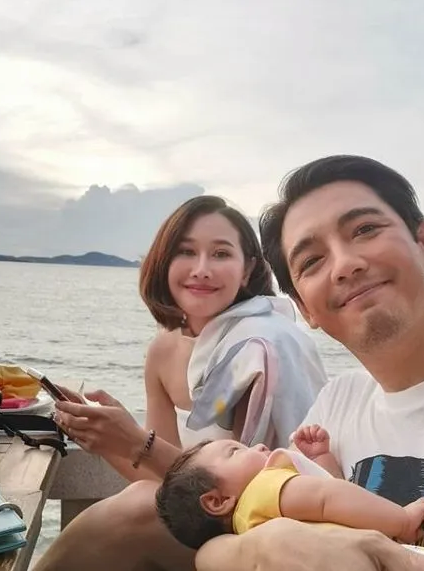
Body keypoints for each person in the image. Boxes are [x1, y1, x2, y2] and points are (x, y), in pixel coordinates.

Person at [194, 155, 424, 571]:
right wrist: (258, 549)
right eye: (312, 261)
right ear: (305, 309)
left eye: (365, 229)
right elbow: (222, 543)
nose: (345, 265)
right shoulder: (337, 405)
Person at [33, 195, 327, 571]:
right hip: (208, 520)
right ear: (164, 262)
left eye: (220, 254)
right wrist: (107, 441)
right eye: (186, 252)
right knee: (142, 500)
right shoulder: (164, 350)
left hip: (273, 525)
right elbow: (166, 483)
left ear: (248, 268)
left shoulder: (265, 345)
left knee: (128, 513)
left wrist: (136, 441)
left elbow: (259, 490)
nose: (201, 269)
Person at [155, 436, 424, 568]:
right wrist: (402, 520)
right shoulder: (263, 488)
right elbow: (329, 496)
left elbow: (328, 500)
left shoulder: (252, 526)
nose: (257, 445)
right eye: (235, 451)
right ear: (218, 501)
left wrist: (321, 460)